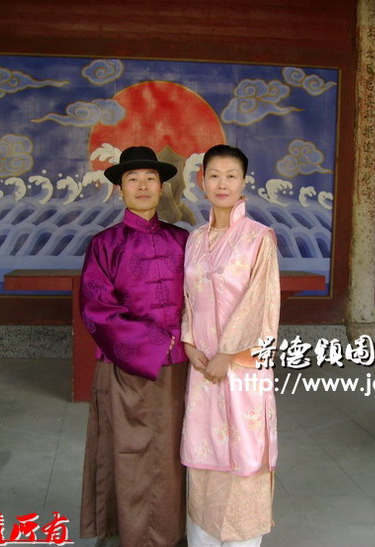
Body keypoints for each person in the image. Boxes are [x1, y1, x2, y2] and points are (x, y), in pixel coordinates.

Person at [79, 146, 189, 546]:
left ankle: (172, 533)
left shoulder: (184, 240)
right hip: (125, 364)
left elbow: (203, 298)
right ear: (119, 189)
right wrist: (154, 342)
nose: (142, 186)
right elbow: (96, 309)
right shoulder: (105, 244)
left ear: (162, 187)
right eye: (133, 179)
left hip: (182, 364)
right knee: (127, 449)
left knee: (174, 450)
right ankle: (128, 533)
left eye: (150, 179)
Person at [181, 144, 281, 546]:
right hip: (202, 366)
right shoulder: (195, 239)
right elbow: (189, 299)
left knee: (244, 452)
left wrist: (229, 354)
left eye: (231, 176)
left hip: (241, 368)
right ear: (202, 180)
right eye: (214, 175)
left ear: (243, 182)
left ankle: (241, 539)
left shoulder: (258, 238)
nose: (222, 184)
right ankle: (203, 537)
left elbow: (262, 304)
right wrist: (189, 342)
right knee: (204, 451)